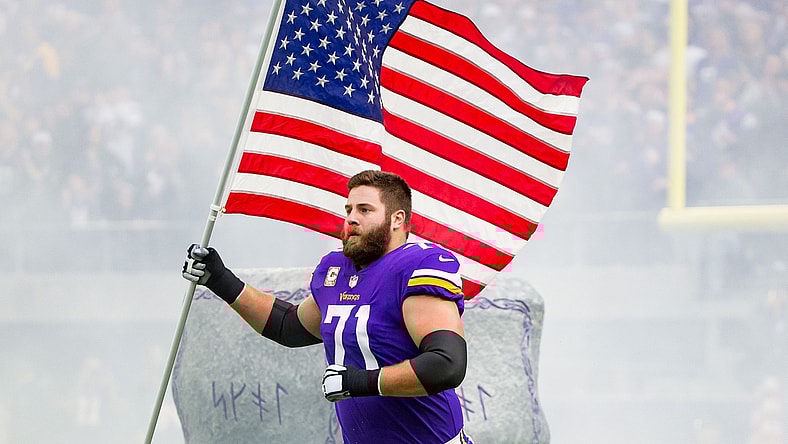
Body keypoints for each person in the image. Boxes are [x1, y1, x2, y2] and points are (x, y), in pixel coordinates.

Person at [182, 170, 473, 444]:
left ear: (397, 219)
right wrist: (221, 280)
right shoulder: (338, 270)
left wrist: (362, 382)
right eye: (348, 210)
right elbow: (289, 326)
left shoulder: (417, 265)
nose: (352, 219)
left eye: (365, 210)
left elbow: (446, 365)